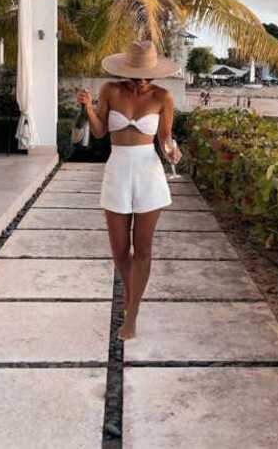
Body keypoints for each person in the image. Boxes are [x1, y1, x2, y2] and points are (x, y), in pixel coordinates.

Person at [77, 40, 182, 340]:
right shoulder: (110, 90)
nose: (142, 80)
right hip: (118, 171)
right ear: (126, 71)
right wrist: (88, 108)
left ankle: (132, 313)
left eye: (147, 75)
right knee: (120, 251)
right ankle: (131, 291)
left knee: (143, 249)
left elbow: (165, 137)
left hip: (149, 174)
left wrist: (173, 152)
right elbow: (100, 132)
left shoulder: (163, 97)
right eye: (137, 75)